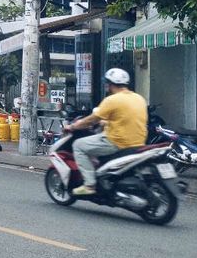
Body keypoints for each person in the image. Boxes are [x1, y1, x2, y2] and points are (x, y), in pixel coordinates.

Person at [62, 68, 147, 196]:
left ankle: (89, 185)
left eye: (107, 83)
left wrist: (73, 126)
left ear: (110, 84)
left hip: (117, 143)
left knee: (78, 145)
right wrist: (106, 123)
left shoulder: (112, 100)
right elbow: (125, 119)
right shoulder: (139, 98)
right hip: (139, 143)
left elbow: (91, 120)